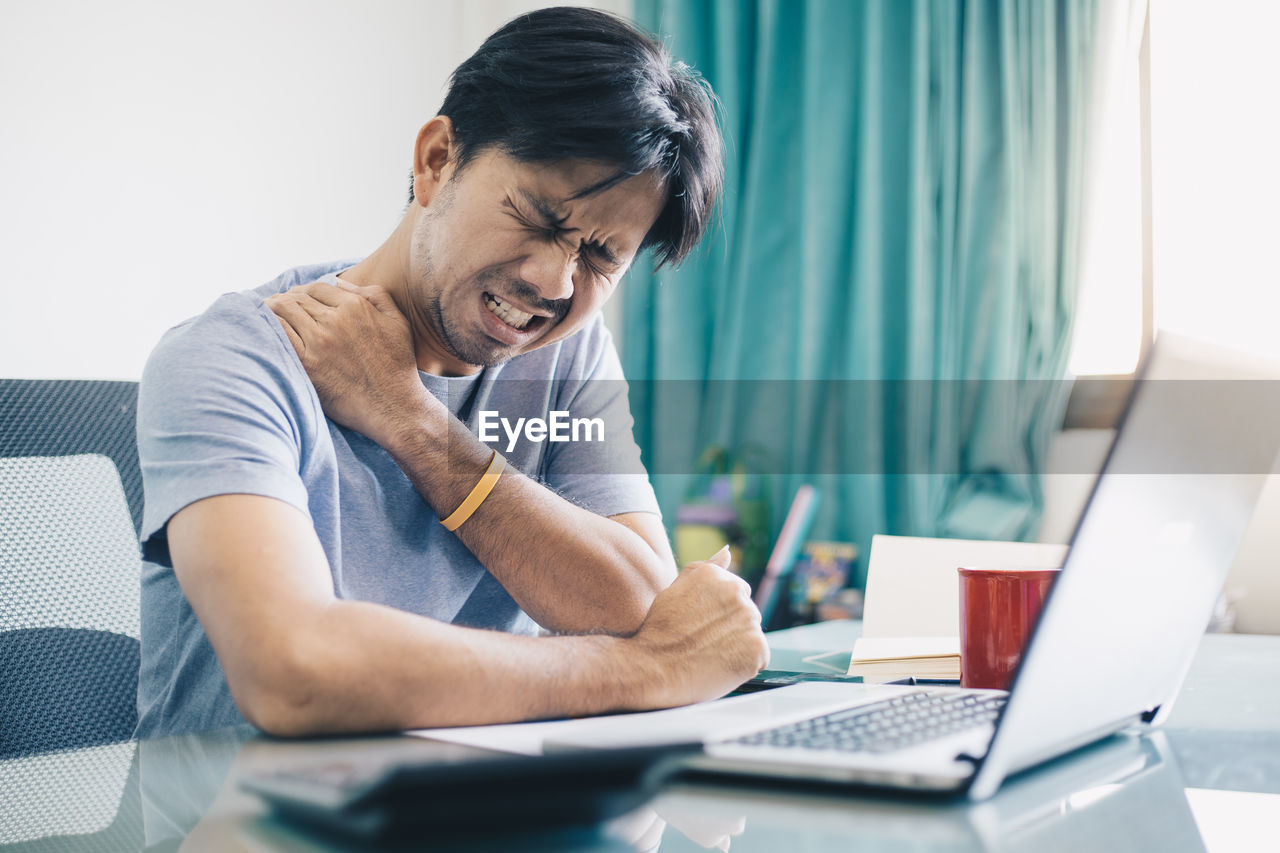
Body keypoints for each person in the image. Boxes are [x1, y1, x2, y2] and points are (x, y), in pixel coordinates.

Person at [135, 7, 769, 739]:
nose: (556, 283)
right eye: (540, 217)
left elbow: (640, 598)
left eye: (600, 256)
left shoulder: (565, 351)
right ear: (437, 160)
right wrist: (648, 671)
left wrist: (415, 424)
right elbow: (295, 673)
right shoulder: (233, 357)